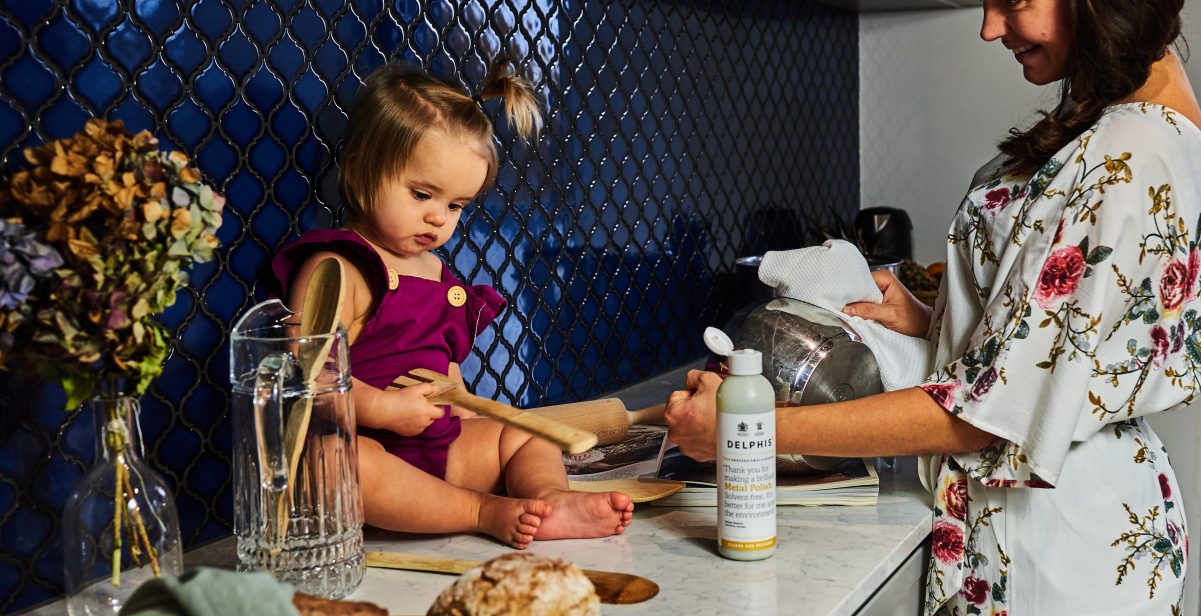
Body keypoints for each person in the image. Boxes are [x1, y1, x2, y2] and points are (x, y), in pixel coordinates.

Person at [665, 0, 1200, 613]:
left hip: (1049, 545)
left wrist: (744, 432)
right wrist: (934, 319)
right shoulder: (1135, 127)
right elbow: (1072, 341)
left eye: (1014, 2)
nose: (990, 28)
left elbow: (982, 415)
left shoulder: (1120, 159)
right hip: (1074, 514)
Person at [272, 62, 633, 549]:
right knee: (331, 462)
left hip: (439, 450)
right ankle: (479, 510)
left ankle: (548, 500)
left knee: (525, 434)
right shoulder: (338, 266)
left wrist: (463, 407)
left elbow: (445, 368)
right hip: (376, 457)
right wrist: (380, 407)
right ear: (358, 171)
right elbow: (307, 377)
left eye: (457, 205)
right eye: (421, 194)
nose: (437, 217)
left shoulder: (437, 273)